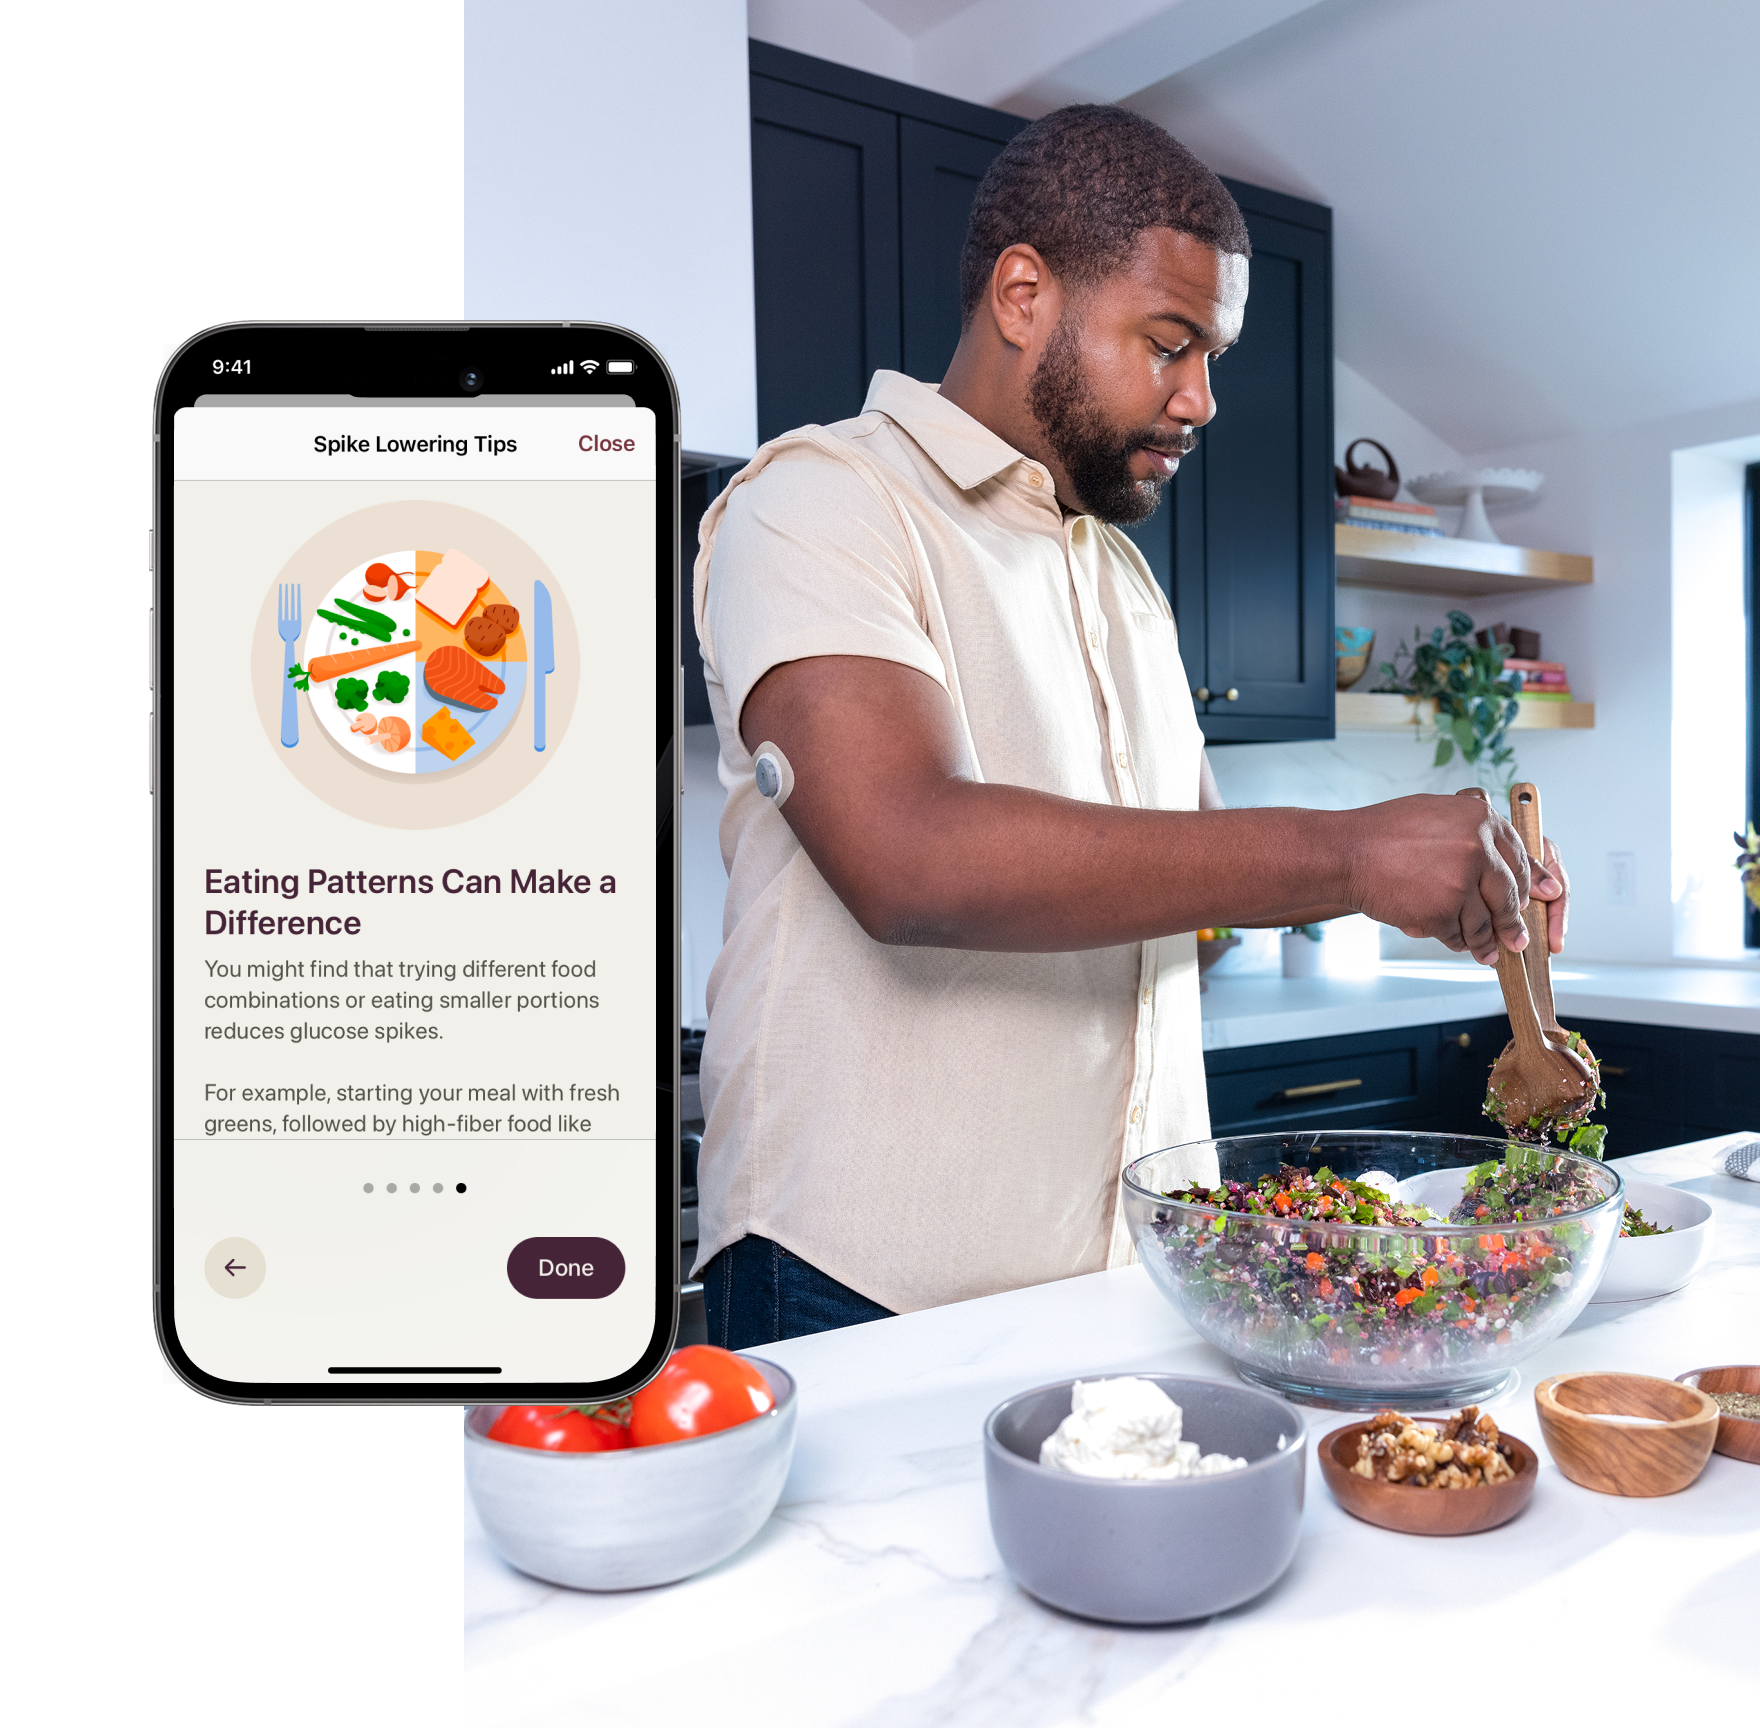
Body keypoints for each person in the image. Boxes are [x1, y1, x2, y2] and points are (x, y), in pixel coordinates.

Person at [691, 106, 1567, 1349]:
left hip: (1125, 1276)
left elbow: (1187, 906)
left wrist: (1428, 889)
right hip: (858, 1283)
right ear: (1021, 295)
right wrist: (1347, 852)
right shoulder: (822, 500)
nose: (1200, 399)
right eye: (1167, 345)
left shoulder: (1119, 578)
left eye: (1211, 356)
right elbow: (909, 857)